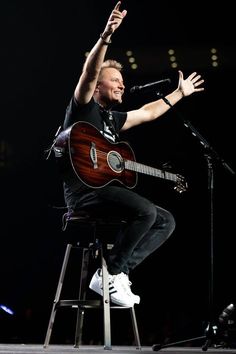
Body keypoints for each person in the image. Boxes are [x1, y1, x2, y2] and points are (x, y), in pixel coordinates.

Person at [60, 1, 204, 307]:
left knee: (166, 221)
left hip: (107, 192)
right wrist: (106, 36)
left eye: (122, 81)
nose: (121, 84)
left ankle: (118, 271)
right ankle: (109, 273)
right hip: (84, 194)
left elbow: (147, 112)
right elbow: (87, 74)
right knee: (146, 210)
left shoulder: (113, 119)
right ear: (97, 86)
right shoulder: (84, 108)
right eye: (114, 80)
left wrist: (179, 93)